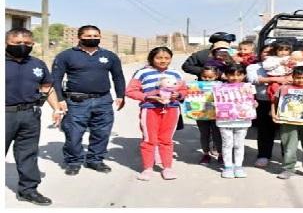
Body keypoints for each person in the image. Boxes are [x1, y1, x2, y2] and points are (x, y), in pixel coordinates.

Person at [51, 25, 126, 176]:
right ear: (79, 37)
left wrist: (120, 95)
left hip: (103, 101)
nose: (92, 38)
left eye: (95, 36)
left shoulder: (109, 56)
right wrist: (59, 99)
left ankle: (95, 160)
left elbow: (118, 76)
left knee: (102, 132)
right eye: (88, 36)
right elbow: (56, 79)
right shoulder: (66, 56)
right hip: (77, 101)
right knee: (73, 134)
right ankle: (73, 161)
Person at [6, 28, 62, 206]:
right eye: (17, 43)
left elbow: (47, 87)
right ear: (6, 42)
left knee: (28, 153)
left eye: (27, 43)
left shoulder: (37, 64)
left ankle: (28, 190)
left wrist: (56, 109)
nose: (22, 46)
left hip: (30, 114)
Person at [125, 47, 187, 181]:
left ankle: (167, 168)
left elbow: (184, 90)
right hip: (150, 109)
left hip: (172, 109)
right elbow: (130, 91)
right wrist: (148, 97)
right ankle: (147, 168)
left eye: (167, 58)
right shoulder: (142, 73)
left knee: (166, 139)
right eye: (159, 58)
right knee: (149, 139)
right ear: (152, 58)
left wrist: (179, 94)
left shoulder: (176, 73)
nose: (163, 61)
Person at [271, 65, 303, 180]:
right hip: (288, 121)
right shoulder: (284, 89)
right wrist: (274, 114)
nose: (301, 80)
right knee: (289, 146)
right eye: (298, 77)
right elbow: (275, 101)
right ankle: (288, 169)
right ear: (293, 77)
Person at [246, 45, 284, 168]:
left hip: (285, 102)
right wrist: (277, 79)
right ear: (260, 53)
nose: (267, 55)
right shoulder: (254, 67)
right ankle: (263, 155)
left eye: (271, 52)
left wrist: (266, 79)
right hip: (264, 101)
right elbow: (253, 79)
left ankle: (287, 156)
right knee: (265, 131)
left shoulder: (285, 65)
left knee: (286, 131)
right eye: (265, 52)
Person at [218, 64, 255, 179]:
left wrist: (254, 104)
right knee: (227, 144)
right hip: (224, 121)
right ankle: (228, 167)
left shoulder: (249, 87)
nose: (235, 77)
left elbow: (252, 101)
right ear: (226, 75)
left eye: (239, 75)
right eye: (231, 75)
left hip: (243, 121)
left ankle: (238, 166)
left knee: (239, 144)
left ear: (244, 75)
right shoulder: (219, 88)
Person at [195, 66, 223, 164]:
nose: (207, 79)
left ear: (216, 76)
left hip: (217, 115)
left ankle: (221, 154)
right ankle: (206, 154)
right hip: (201, 115)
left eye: (210, 77)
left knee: (218, 135)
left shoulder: (221, 86)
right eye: (204, 77)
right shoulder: (196, 86)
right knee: (204, 134)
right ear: (200, 76)